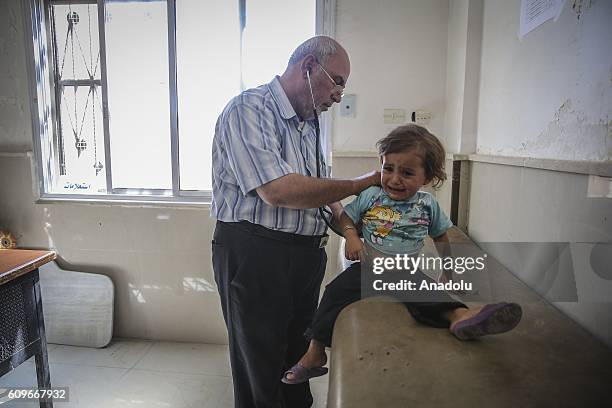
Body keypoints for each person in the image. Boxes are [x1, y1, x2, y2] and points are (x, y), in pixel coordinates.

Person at [210, 36, 380, 408]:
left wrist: (354, 229)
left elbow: (321, 192)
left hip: (303, 257)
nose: (338, 95)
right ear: (307, 67)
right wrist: (362, 182)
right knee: (261, 365)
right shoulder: (249, 109)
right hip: (256, 253)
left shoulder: (310, 125)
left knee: (297, 358)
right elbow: (278, 191)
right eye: (337, 81)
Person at [282, 124, 523, 384]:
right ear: (381, 165)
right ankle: (315, 353)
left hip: (403, 271)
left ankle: (461, 317)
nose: (395, 179)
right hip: (367, 269)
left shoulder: (427, 204)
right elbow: (345, 218)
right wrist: (352, 237)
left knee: (429, 292)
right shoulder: (371, 195)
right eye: (388, 169)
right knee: (332, 293)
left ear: (427, 177)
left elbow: (441, 236)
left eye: (407, 172)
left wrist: (448, 270)